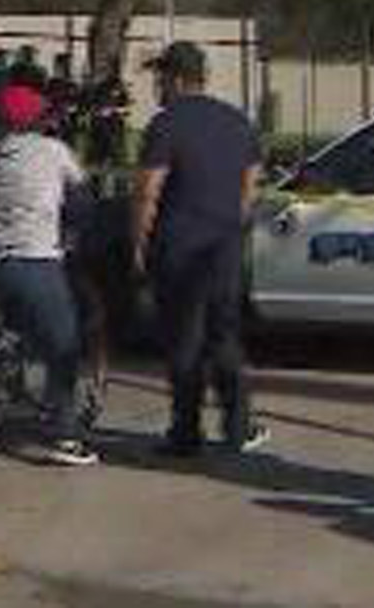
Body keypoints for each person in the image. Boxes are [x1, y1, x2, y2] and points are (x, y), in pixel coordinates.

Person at [131, 41, 267, 458]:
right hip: (224, 245)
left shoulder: (165, 124)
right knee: (224, 334)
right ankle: (238, 424)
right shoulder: (238, 121)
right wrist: (230, 228)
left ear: (174, 79)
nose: (156, 87)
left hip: (179, 247)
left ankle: (186, 431)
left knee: (184, 339)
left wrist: (138, 243)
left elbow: (148, 192)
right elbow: (249, 189)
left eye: (159, 79)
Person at [0, 82, 100, 467]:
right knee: (63, 343)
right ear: (40, 120)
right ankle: (64, 434)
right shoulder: (55, 151)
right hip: (32, 258)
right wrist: (74, 229)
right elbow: (81, 201)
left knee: (1, 339)